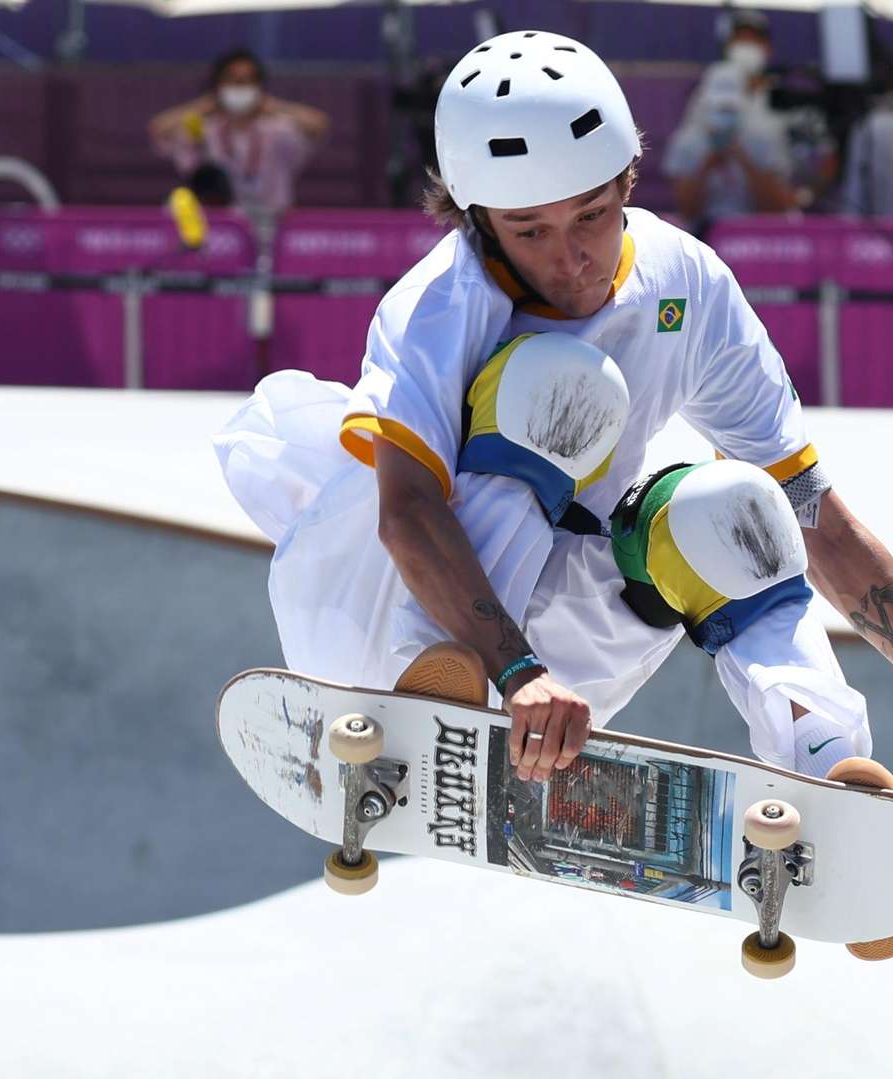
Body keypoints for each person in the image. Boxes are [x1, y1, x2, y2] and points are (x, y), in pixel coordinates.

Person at [213, 30, 893, 948]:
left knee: (737, 508)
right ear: (474, 220)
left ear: (628, 184)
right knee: (563, 385)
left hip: (553, 665)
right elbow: (406, 510)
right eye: (529, 232)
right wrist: (514, 672)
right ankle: (439, 682)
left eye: (591, 218)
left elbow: (815, 519)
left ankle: (824, 764)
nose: (570, 259)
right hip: (391, 620)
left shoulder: (686, 282)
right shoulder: (439, 304)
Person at [147, 49, 330, 233]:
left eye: (247, 81)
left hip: (272, 226)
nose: (240, 87)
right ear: (218, 85)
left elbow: (318, 125)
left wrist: (272, 105)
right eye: (233, 80)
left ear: (259, 87)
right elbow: (159, 128)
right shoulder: (204, 129)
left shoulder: (278, 130)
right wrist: (207, 104)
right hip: (218, 230)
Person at [662, 10, 799, 232]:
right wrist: (710, 159)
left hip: (759, 237)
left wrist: (739, 154)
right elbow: (687, 209)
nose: (725, 112)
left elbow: (779, 207)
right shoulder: (691, 139)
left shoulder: (766, 134)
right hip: (707, 236)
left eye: (731, 106)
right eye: (719, 106)